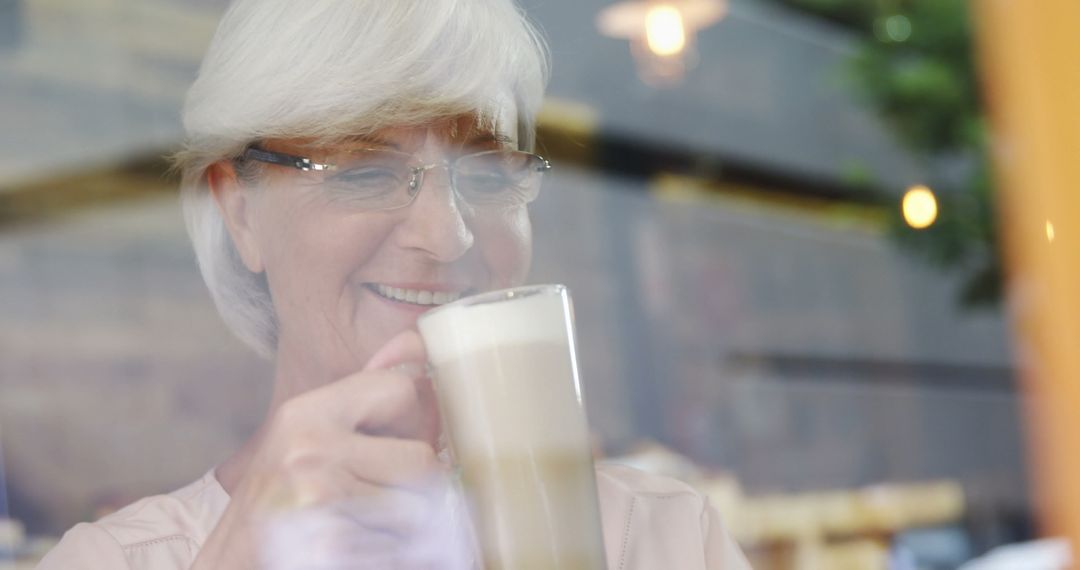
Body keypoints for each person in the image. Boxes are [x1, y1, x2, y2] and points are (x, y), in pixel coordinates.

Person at [37, 1, 751, 568]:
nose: (450, 236)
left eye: (488, 173)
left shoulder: (663, 539)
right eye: (365, 172)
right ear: (239, 212)